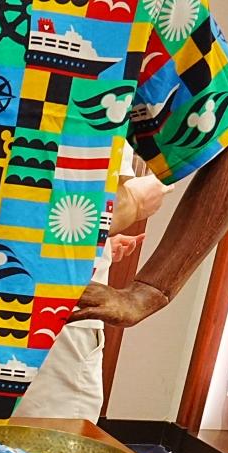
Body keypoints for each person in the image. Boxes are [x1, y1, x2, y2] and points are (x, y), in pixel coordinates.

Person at [17, 159, 167, 421]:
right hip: (58, 319)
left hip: (25, 304)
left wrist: (103, 245)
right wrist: (136, 202)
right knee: (49, 434)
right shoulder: (102, 132)